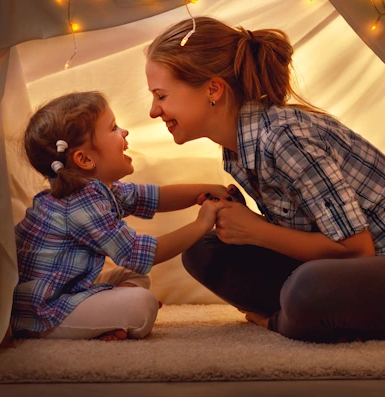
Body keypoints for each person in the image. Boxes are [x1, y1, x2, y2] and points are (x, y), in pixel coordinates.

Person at [145, 17, 385, 343]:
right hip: (351, 272)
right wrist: (244, 225)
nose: (153, 112)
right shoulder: (239, 148)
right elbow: (308, 233)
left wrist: (256, 230)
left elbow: (356, 250)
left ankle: (283, 321)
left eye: (161, 96)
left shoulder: (284, 137)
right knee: (203, 250)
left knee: (309, 288)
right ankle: (303, 314)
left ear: (213, 90)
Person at [12, 91, 227, 341]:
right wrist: (202, 224)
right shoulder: (80, 203)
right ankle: (105, 317)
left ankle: (108, 317)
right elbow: (137, 254)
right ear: (84, 159)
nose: (124, 132)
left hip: (67, 288)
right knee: (142, 304)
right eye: (113, 128)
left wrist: (206, 190)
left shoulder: (97, 190)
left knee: (132, 276)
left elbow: (155, 197)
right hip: (43, 309)